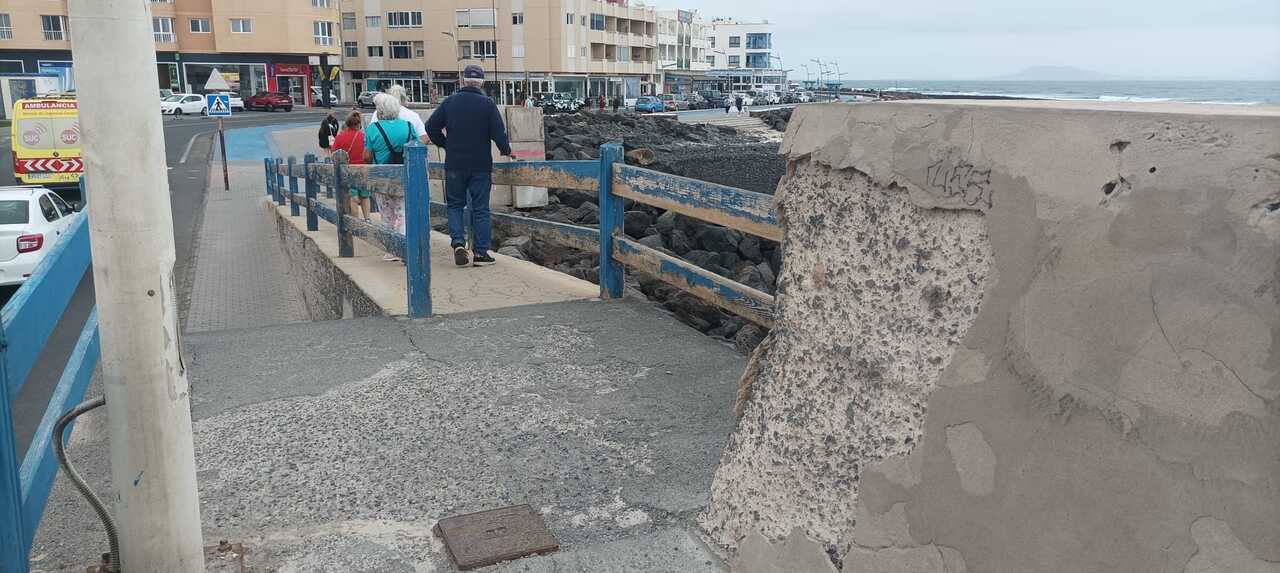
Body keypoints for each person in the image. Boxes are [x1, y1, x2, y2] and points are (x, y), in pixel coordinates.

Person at [426, 64, 513, 268]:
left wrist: (445, 144)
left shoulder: (450, 102)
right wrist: (506, 150)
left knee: (455, 205)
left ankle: (458, 242)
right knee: (481, 208)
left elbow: (430, 127)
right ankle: (481, 254)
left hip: (455, 164)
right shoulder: (487, 104)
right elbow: (498, 133)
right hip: (480, 165)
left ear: (463, 80)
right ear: (481, 82)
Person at [363, 93, 417, 261]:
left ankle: (391, 250)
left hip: (382, 177)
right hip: (404, 176)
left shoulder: (373, 129)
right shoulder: (408, 126)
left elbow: (366, 156)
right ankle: (404, 248)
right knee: (403, 212)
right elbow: (417, 147)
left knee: (387, 214)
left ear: (380, 111)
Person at [331, 111, 371, 221]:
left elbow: (334, 154)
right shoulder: (364, 137)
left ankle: (355, 221)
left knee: (353, 198)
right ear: (359, 124)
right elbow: (369, 153)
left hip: (349, 171)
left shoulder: (340, 138)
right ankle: (367, 219)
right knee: (365, 196)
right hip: (363, 170)